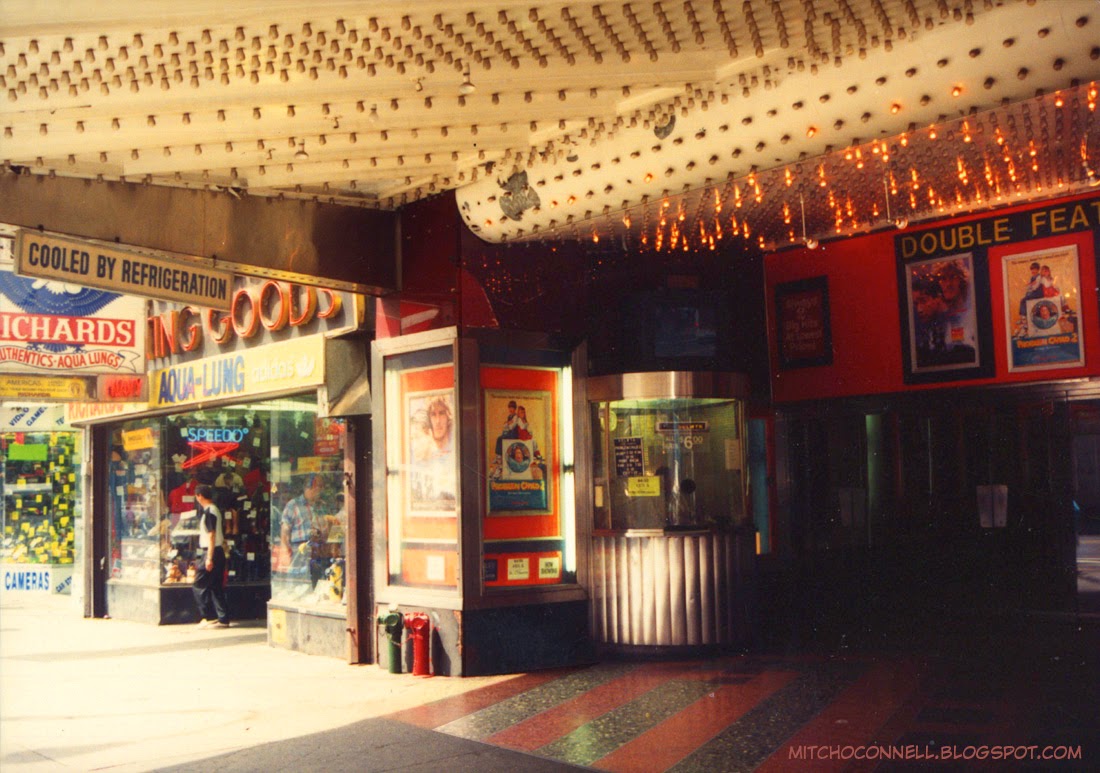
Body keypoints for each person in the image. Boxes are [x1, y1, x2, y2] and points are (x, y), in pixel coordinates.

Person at [192, 484, 229, 629]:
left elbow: (211, 535)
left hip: (211, 551)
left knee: (199, 584)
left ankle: (207, 616)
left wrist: (209, 558)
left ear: (199, 496)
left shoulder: (209, 512)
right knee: (215, 586)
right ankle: (222, 618)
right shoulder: (215, 510)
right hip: (217, 551)